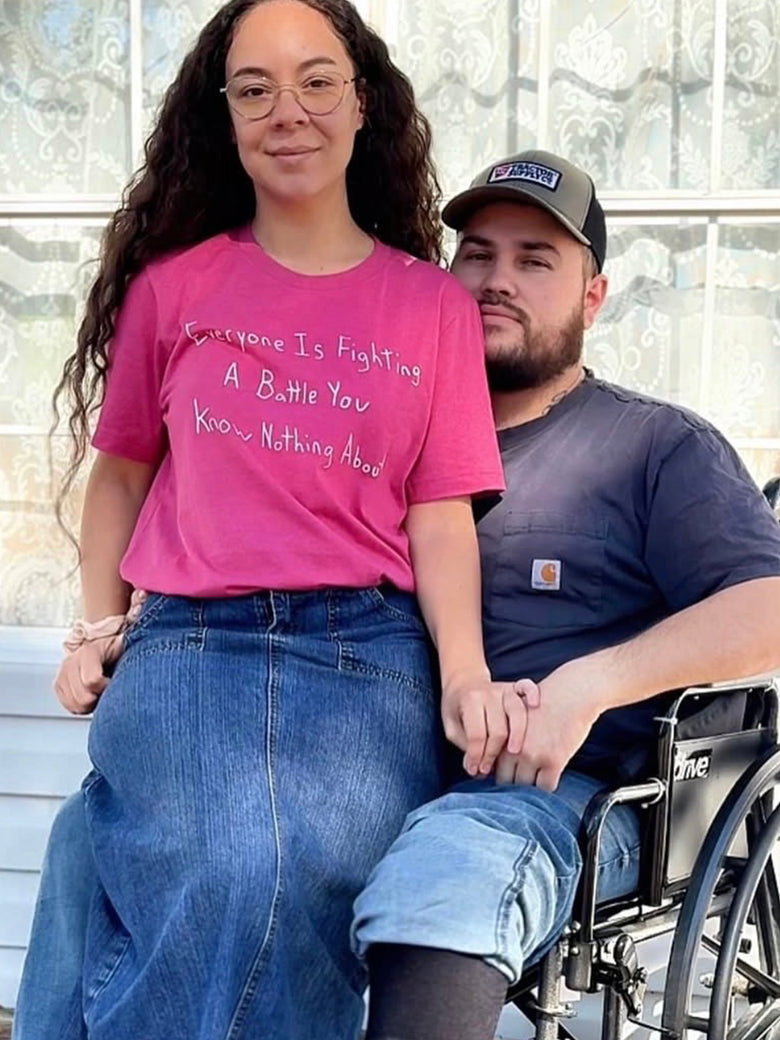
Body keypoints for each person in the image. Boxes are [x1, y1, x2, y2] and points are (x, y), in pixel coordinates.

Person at [16, 2, 521, 1038]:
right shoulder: (174, 289)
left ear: (362, 101)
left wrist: (465, 672)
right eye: (255, 89)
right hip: (191, 644)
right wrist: (96, 626)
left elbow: (438, 513)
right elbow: (120, 477)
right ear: (228, 116)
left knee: (299, 881)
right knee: (234, 866)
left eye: (316, 80)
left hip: (367, 657)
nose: (288, 110)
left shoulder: (431, 306)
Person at [352, 149, 780, 1040]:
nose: (497, 280)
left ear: (593, 297)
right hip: (362, 768)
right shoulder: (376, 438)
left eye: (535, 259)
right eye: (476, 254)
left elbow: (768, 607)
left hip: (566, 797)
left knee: (452, 866)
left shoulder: (655, 448)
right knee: (121, 832)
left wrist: (589, 686)